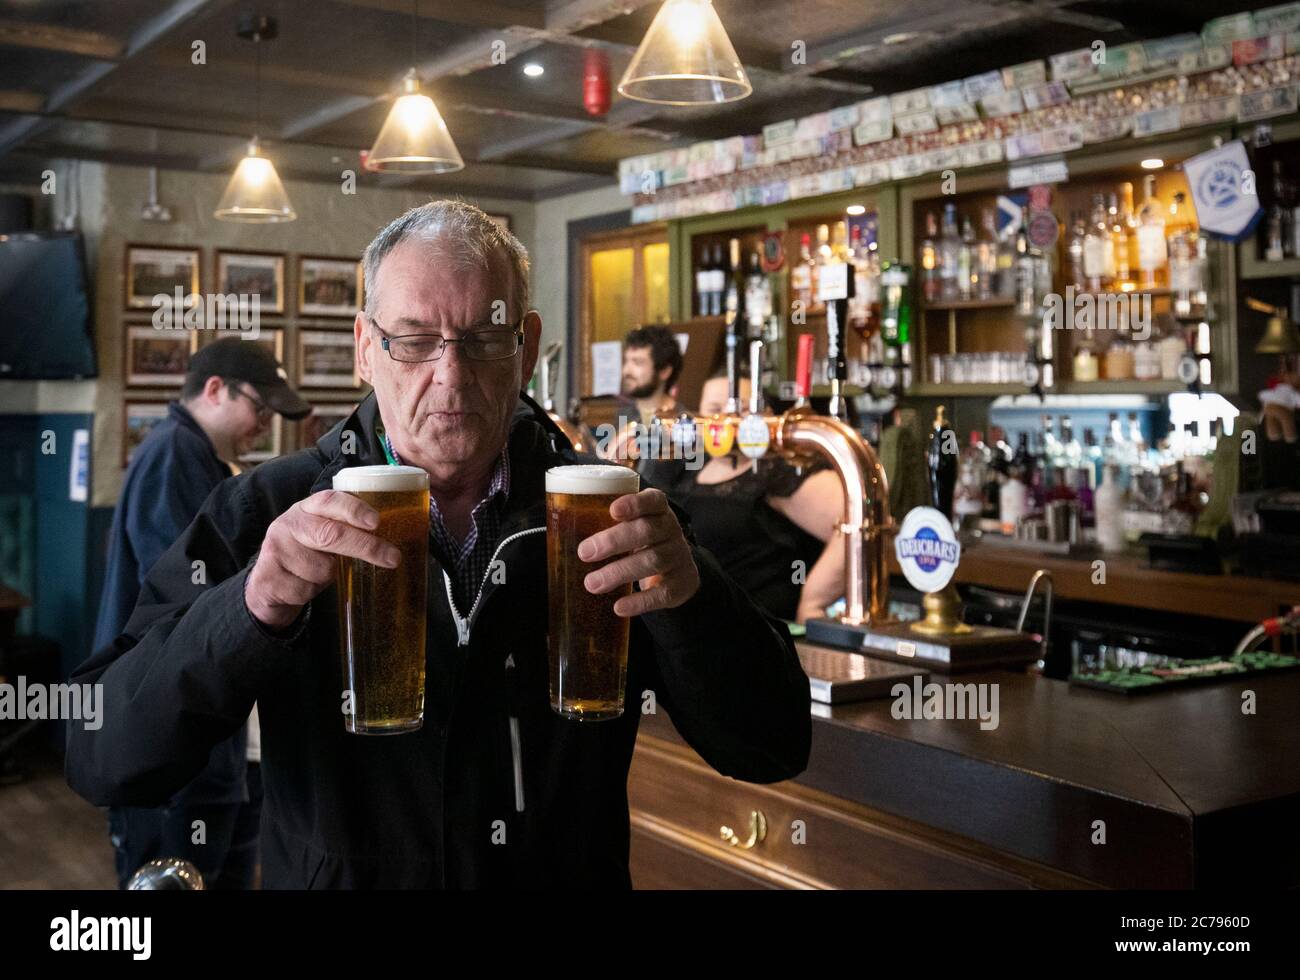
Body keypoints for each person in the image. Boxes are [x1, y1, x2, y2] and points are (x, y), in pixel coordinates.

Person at [67, 201, 810, 889]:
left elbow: (772, 745)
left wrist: (694, 602)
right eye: (414, 341)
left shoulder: (611, 512)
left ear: (526, 349)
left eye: (483, 339)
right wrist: (249, 609)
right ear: (365, 346)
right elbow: (102, 756)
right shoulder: (268, 511)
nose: (449, 376)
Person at [92, 337, 310, 889]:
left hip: (206, 744)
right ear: (215, 390)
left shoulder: (201, 459)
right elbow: (193, 599)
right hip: (172, 740)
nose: (264, 425)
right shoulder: (174, 455)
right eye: (259, 409)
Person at [639, 371, 845, 624]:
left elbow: (853, 523)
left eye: (743, 410)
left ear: (766, 417)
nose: (728, 420)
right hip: (690, 628)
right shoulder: (687, 466)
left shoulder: (777, 469)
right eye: (714, 409)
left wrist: (813, 602)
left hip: (755, 631)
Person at [595, 324, 688, 461]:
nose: (626, 370)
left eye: (637, 363)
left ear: (664, 371)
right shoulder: (624, 415)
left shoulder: (682, 422)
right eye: (626, 361)